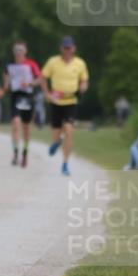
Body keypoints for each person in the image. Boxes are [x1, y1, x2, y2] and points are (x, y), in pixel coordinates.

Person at [40, 36, 89, 177]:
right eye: (65, 47)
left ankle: (65, 163)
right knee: (56, 134)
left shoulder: (80, 63)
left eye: (69, 48)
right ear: (61, 48)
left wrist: (83, 88)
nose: (67, 50)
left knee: (68, 131)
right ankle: (56, 142)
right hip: (56, 101)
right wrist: (46, 93)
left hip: (71, 101)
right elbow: (43, 77)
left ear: (74, 48)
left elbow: (84, 81)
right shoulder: (53, 62)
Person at [3, 42, 41, 167]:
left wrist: (30, 84)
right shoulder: (9, 65)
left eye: (21, 50)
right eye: (16, 50)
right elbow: (6, 77)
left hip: (27, 96)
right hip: (15, 96)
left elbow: (39, 78)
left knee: (26, 127)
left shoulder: (31, 64)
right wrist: (5, 85)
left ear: (25, 51)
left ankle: (25, 153)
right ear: (13, 52)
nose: (18, 52)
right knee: (15, 124)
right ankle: (15, 153)